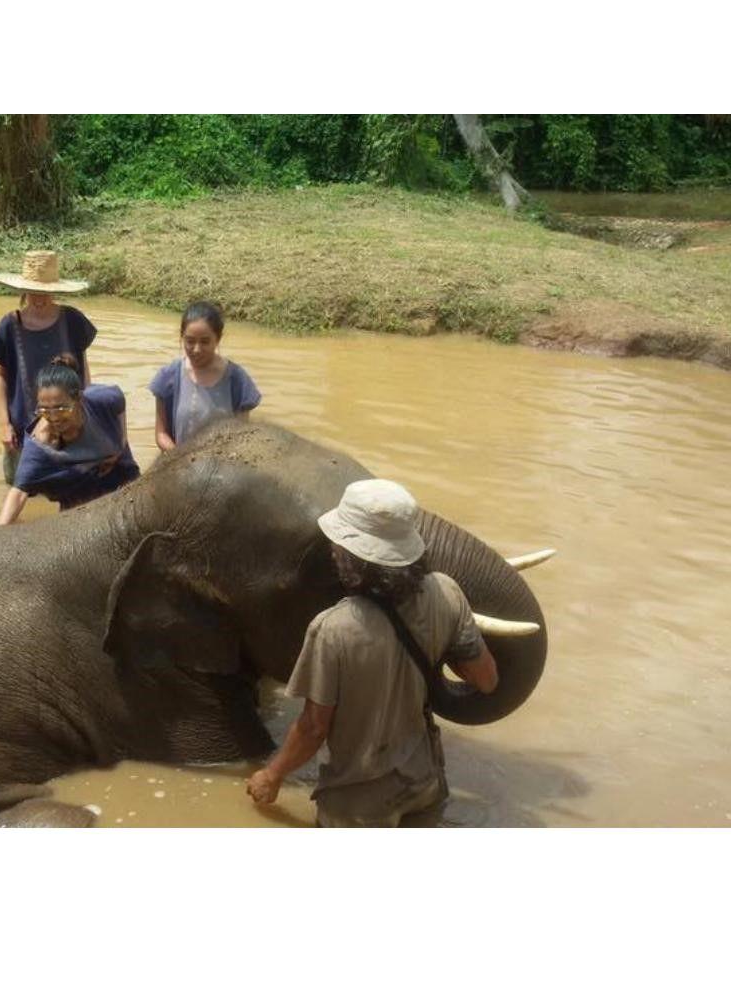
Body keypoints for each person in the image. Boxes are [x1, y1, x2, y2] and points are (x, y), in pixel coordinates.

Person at [245, 479, 498, 827]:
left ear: (351, 555)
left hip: (356, 805)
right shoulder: (448, 593)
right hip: (424, 785)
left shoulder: (332, 628)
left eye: (338, 545)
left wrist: (271, 776)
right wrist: (439, 639)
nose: (334, 551)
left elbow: (313, 728)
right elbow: (486, 680)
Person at [0, 250, 98, 486]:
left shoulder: (73, 320)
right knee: (20, 491)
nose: (39, 299)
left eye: (45, 293)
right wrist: (5, 425)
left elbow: (83, 370)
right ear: (23, 291)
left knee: (70, 494)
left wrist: (90, 412)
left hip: (70, 428)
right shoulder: (10, 325)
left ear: (55, 291)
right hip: (22, 431)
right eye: (33, 292)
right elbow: (0, 377)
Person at [0, 353, 139, 525]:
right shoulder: (40, 446)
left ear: (79, 399)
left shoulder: (102, 401)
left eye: (61, 409)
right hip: (78, 500)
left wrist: (120, 444)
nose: (54, 418)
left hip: (122, 480)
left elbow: (119, 399)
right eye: (44, 411)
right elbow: (18, 493)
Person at [149, 300, 261, 451]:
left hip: (223, 469)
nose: (196, 349)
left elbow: (242, 437)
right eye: (190, 341)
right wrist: (181, 459)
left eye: (205, 342)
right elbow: (161, 434)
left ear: (218, 339)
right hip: (178, 466)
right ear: (182, 337)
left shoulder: (237, 380)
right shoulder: (168, 377)